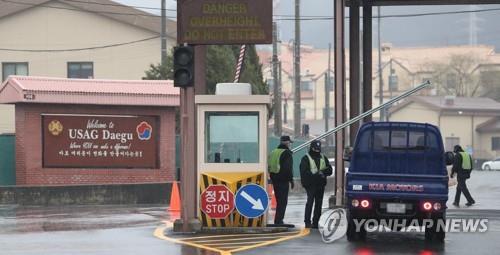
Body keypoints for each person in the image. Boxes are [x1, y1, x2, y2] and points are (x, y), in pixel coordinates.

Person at [300, 140, 333, 228]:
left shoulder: (323, 157)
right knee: (310, 202)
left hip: (320, 184)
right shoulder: (306, 158)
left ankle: (315, 222)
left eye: (319, 149)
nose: (317, 150)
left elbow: (330, 170)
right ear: (312, 148)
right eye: (316, 149)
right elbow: (304, 172)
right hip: (310, 185)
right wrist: (316, 175)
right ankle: (307, 222)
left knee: (319, 204)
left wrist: (323, 172)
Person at [268, 135, 294, 225]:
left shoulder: (273, 152)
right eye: (289, 143)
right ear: (287, 143)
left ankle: (277, 220)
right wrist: (291, 180)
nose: (290, 145)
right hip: (283, 180)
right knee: (283, 201)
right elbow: (288, 168)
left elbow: (269, 166)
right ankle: (279, 220)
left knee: (279, 200)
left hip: (274, 180)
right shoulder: (287, 153)